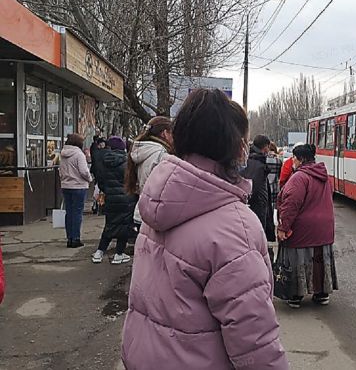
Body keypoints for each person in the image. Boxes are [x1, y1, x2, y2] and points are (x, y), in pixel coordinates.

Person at [121, 89, 288, 370]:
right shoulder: (235, 227)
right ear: (236, 146)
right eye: (244, 141)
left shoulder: (159, 199)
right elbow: (255, 342)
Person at [277, 144, 337, 308]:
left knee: (298, 258)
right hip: (324, 227)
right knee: (320, 259)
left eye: (294, 158)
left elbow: (290, 204)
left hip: (303, 228)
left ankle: (295, 295)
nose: (293, 161)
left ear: (301, 159)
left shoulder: (299, 177)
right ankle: (321, 293)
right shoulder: (323, 175)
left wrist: (283, 227)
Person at [91, 137, 137, 264]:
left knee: (110, 225)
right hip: (126, 198)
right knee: (124, 226)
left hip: (110, 198)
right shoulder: (128, 162)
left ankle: (99, 252)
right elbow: (133, 180)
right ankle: (119, 254)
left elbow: (100, 181)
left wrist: (107, 191)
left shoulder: (103, 162)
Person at [125, 116, 173, 230]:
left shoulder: (143, 151)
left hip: (141, 211)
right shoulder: (161, 155)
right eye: (172, 133)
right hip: (155, 214)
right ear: (165, 133)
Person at [240, 135, 276, 261]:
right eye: (267, 147)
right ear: (265, 147)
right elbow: (259, 194)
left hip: (249, 209)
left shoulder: (248, 160)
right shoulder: (259, 164)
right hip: (257, 211)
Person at [59, 133, 93, 248]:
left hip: (66, 185)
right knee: (77, 213)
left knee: (69, 213)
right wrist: (89, 178)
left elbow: (60, 170)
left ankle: (69, 238)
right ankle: (76, 239)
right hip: (79, 186)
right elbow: (84, 171)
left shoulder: (63, 154)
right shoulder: (79, 154)